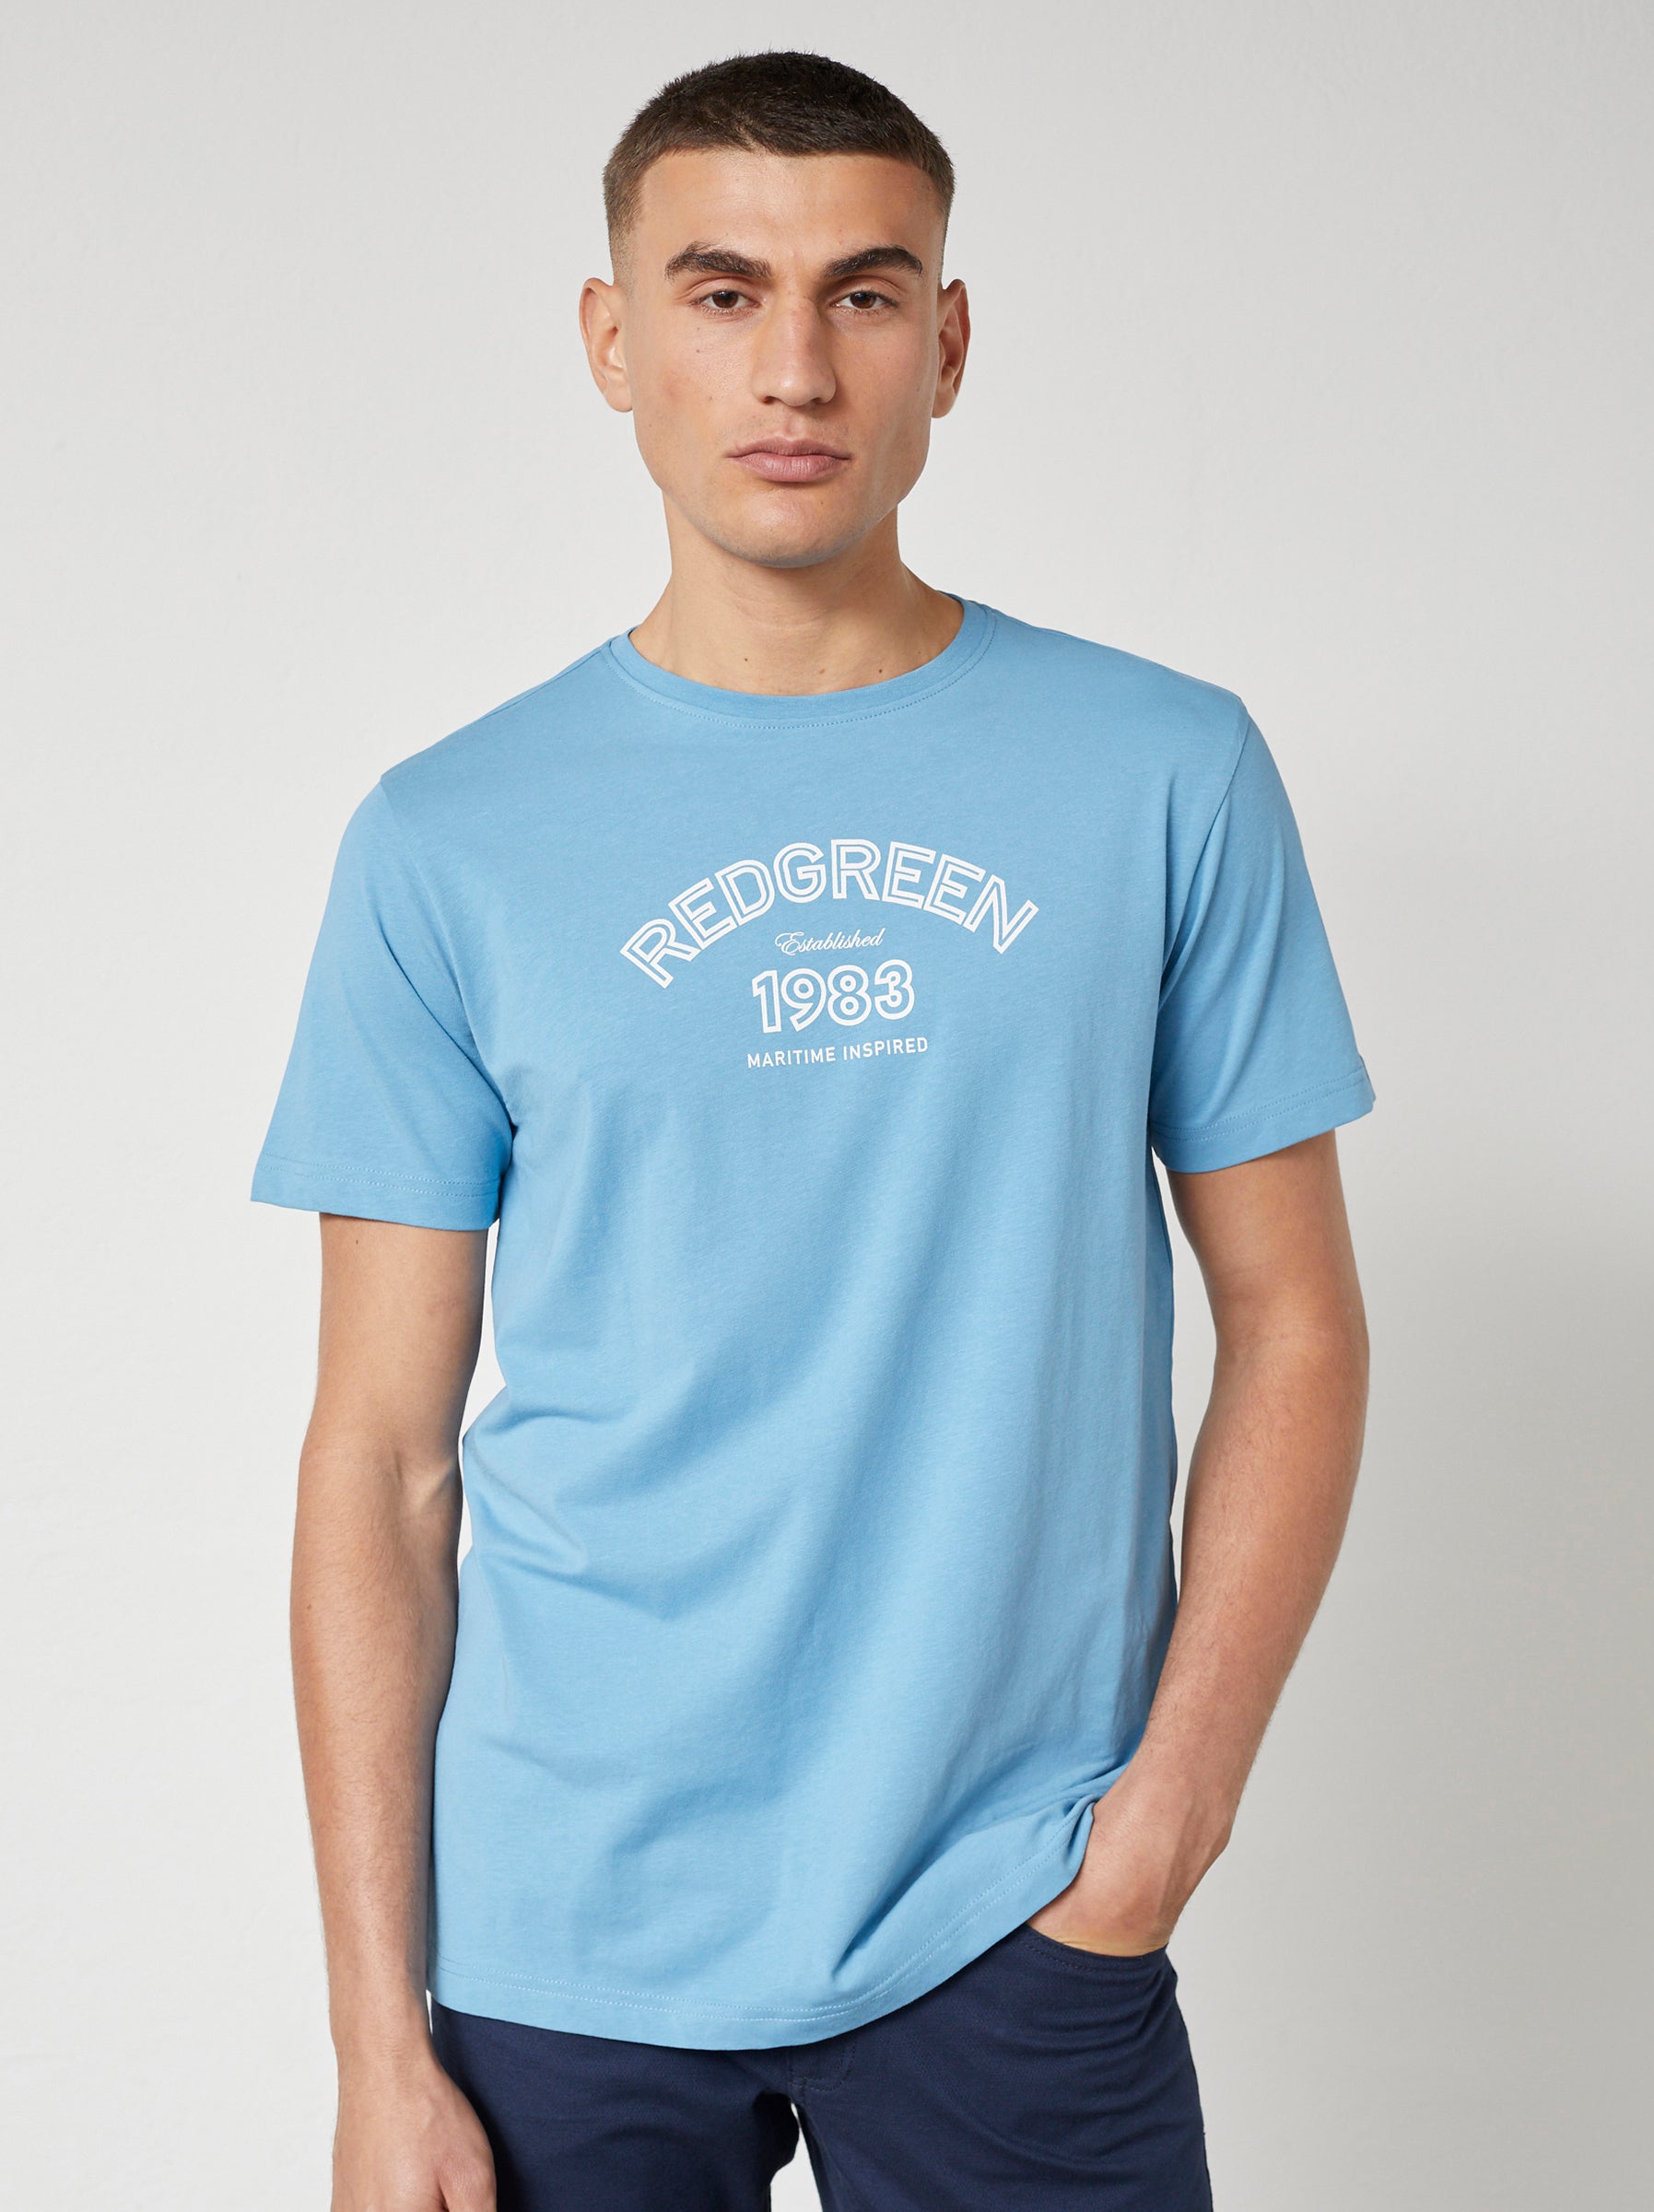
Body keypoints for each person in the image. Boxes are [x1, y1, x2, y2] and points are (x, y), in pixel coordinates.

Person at [252, 48, 1373, 2212]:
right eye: (721, 292)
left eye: (864, 293)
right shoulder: (448, 840)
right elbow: (379, 1459)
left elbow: (1297, 1320)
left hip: (1016, 1909)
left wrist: (1165, 1826)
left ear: (947, 342)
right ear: (614, 340)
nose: (795, 367)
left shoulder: (1164, 772)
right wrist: (375, 2040)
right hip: (563, 1930)